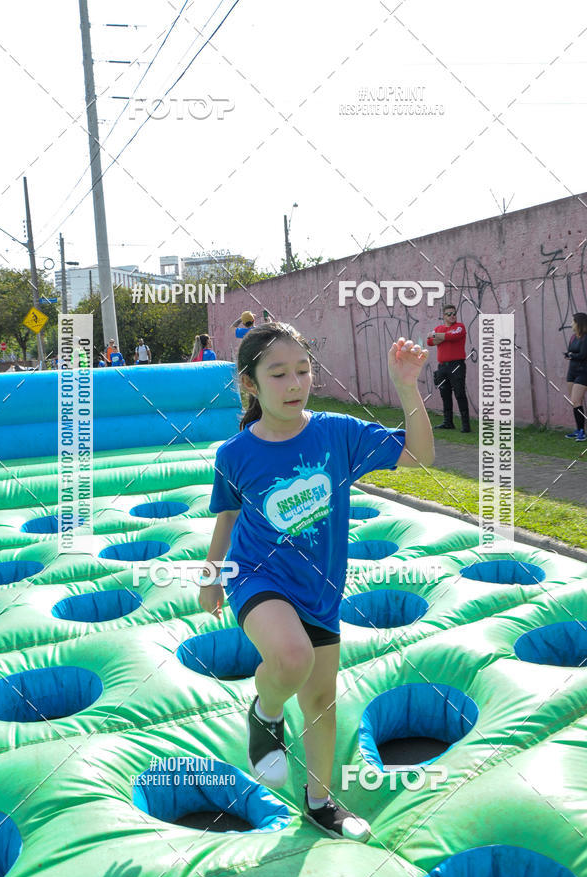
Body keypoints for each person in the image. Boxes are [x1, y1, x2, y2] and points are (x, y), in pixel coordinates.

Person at [199, 321, 434, 840]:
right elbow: (228, 515)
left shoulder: (337, 433)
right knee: (291, 658)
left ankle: (321, 803)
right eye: (278, 373)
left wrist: (406, 387)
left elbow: (418, 455)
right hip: (257, 577)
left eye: (303, 371)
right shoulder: (234, 454)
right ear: (250, 383)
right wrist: (211, 576)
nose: (295, 384)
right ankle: (265, 712)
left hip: (321, 590)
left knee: (321, 701)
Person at [427, 304, 471, 432]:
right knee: (445, 394)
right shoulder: (439, 328)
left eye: (454, 313)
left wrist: (437, 336)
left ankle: (466, 425)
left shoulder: (459, 327)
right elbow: (429, 342)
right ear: (444, 316)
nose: (452, 316)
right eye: (449, 314)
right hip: (442, 367)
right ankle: (448, 422)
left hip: (456, 365)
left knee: (460, 393)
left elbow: (453, 336)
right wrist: (444, 336)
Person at [564, 311, 587, 441]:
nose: (571, 324)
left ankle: (582, 432)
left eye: (573, 321)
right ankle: (578, 429)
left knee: (576, 400)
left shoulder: (586, 337)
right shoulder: (573, 337)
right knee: (574, 402)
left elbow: (583, 355)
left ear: (579, 323)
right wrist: (569, 354)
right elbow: (570, 351)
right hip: (572, 372)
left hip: (583, 372)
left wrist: (571, 355)